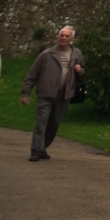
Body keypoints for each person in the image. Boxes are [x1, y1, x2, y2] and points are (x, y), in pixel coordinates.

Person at [19, 26, 83, 162]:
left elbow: (83, 71)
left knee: (54, 124)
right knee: (41, 122)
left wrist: (79, 70)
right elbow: (32, 75)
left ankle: (42, 148)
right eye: (62, 35)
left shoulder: (76, 54)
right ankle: (35, 151)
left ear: (72, 39)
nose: (63, 38)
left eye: (67, 36)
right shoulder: (46, 54)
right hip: (46, 94)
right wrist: (25, 93)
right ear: (57, 37)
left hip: (63, 95)